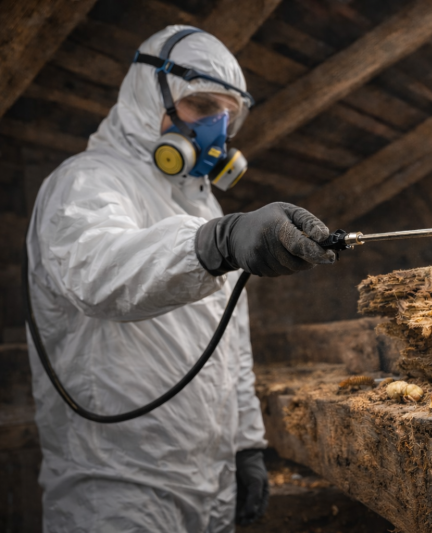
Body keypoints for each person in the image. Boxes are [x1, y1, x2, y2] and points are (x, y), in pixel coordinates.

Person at [25, 25, 335, 531]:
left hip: (209, 481)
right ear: (151, 94)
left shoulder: (204, 205)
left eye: (227, 117)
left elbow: (229, 343)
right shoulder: (87, 180)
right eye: (201, 105)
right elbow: (97, 271)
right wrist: (215, 243)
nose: (215, 127)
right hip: (117, 490)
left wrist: (246, 446)